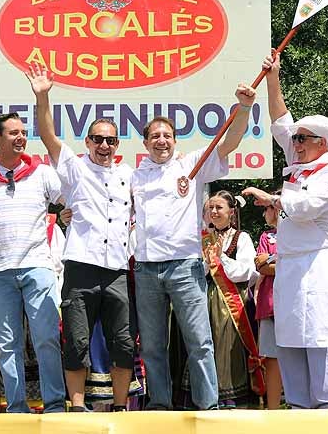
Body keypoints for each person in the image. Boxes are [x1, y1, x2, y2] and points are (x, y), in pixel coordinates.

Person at [130, 82, 256, 411]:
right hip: (146, 268)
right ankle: (158, 406)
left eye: (166, 136)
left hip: (185, 266)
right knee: (154, 346)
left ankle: (208, 407)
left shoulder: (191, 165)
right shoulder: (134, 176)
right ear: (145, 143)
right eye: (155, 136)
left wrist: (243, 108)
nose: (161, 141)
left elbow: (229, 142)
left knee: (200, 342)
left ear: (175, 141)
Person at [242, 53, 328, 409]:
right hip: (289, 264)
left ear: (323, 142)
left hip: (316, 262)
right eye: (297, 138)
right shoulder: (300, 161)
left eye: (303, 138)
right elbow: (279, 119)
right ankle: (300, 409)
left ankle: (327, 409)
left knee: (318, 338)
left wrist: (270, 197)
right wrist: (274, 77)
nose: (295, 143)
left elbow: (304, 208)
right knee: (288, 338)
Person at [29, 65, 135, 411]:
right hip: (81, 267)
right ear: (88, 141)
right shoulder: (75, 169)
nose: (104, 145)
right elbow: (48, 135)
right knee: (76, 342)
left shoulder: (130, 174)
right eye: (98, 139)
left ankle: (120, 408)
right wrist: (42, 96)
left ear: (117, 144)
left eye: (110, 140)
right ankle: (76, 407)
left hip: (117, 269)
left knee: (123, 344)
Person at [0, 112, 66, 413]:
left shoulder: (43, 172)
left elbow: (68, 202)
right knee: (7, 343)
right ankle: (16, 407)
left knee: (46, 337)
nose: (21, 138)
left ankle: (56, 404)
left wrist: (68, 212)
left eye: (23, 132)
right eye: (13, 133)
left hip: (38, 265)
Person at [192, 190, 258, 408]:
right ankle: (205, 397)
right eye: (210, 208)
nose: (213, 211)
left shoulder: (242, 237)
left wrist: (221, 259)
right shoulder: (203, 238)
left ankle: (231, 399)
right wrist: (207, 261)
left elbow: (246, 272)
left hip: (231, 302)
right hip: (205, 300)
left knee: (229, 349)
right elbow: (196, 273)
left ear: (231, 212)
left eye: (219, 207)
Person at [254, 191, 284, 409]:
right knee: (271, 360)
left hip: (292, 305)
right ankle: (273, 411)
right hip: (270, 304)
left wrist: (272, 261)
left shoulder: (301, 233)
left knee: (297, 357)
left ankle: (298, 408)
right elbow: (261, 265)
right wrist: (279, 261)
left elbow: (289, 265)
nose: (266, 212)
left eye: (268, 207)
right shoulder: (266, 237)